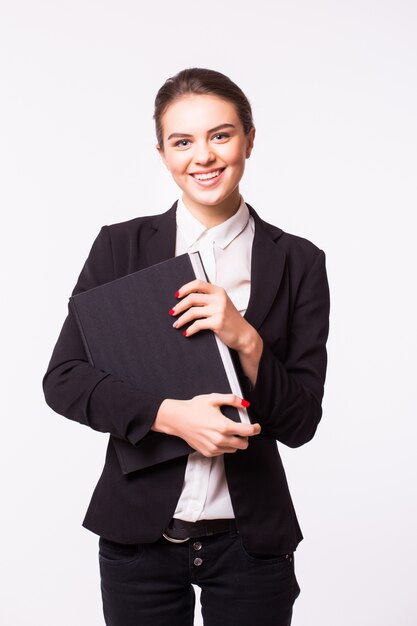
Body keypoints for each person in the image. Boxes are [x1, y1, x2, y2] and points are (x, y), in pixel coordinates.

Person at [43, 67, 330, 626]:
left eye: (221, 135)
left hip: (251, 543)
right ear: (162, 153)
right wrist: (167, 416)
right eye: (183, 141)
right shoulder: (121, 246)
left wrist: (244, 338)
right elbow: (65, 379)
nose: (203, 156)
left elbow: (300, 422)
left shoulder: (298, 262)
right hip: (139, 539)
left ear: (249, 137)